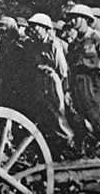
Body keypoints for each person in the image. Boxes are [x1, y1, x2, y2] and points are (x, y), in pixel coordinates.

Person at [25, 13, 73, 143]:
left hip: (53, 80)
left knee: (58, 112)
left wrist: (65, 90)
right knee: (45, 111)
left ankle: (68, 140)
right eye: (33, 27)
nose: (34, 30)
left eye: (37, 27)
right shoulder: (36, 45)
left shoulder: (54, 44)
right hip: (40, 80)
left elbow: (63, 70)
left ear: (45, 28)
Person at [65, 4, 100, 144]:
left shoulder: (96, 37)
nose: (72, 22)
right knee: (81, 116)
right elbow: (69, 67)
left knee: (96, 116)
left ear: (84, 19)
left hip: (93, 80)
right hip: (77, 82)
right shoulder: (73, 44)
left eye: (75, 18)